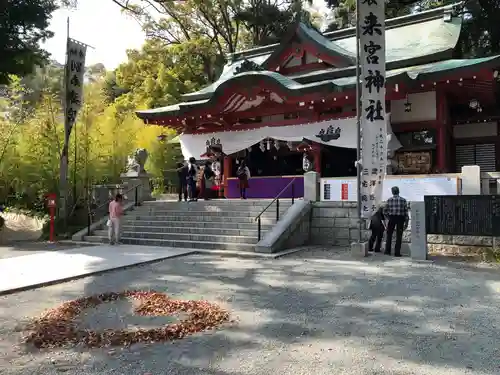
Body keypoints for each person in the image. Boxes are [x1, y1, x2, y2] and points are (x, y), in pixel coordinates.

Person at [383, 186, 409, 257]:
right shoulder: (403, 200)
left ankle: (387, 251)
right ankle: (397, 253)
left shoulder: (389, 200)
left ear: (392, 192)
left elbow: (384, 211)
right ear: (398, 191)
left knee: (389, 235)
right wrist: (406, 222)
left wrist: (388, 217)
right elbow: (406, 212)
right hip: (400, 219)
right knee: (399, 236)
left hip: (392, 218)